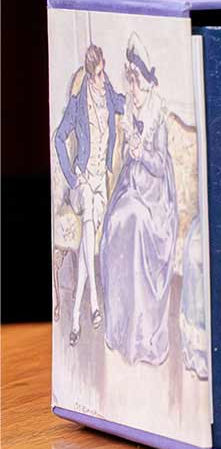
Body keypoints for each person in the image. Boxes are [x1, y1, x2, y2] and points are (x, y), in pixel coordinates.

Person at [100, 39, 177, 367]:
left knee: (134, 221)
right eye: (129, 81)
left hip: (155, 198)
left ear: (145, 82)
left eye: (135, 81)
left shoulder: (158, 112)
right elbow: (124, 153)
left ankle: (142, 334)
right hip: (132, 187)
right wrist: (128, 148)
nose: (131, 88)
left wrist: (140, 152)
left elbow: (158, 165)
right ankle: (122, 327)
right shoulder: (131, 108)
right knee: (117, 221)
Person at [52, 42, 122, 341]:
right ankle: (94, 301)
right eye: (99, 75)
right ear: (90, 75)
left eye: (104, 72)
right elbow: (59, 138)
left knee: (89, 229)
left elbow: (124, 104)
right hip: (81, 184)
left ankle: (76, 320)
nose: (103, 79)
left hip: (99, 183)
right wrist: (73, 178)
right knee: (90, 208)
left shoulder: (108, 93)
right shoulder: (78, 103)